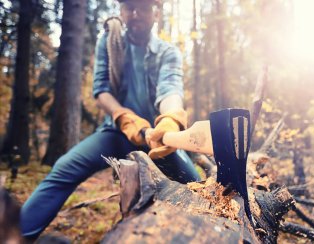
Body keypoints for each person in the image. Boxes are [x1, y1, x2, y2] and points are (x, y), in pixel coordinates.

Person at [20, 0, 201, 240]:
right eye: (129, 7)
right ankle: (16, 234)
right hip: (115, 134)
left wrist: (169, 121)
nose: (135, 14)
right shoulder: (108, 43)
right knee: (65, 167)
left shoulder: (168, 53)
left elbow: (170, 91)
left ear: (155, 13)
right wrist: (125, 118)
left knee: (195, 184)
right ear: (121, 11)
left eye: (143, 8)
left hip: (157, 139)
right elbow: (101, 91)